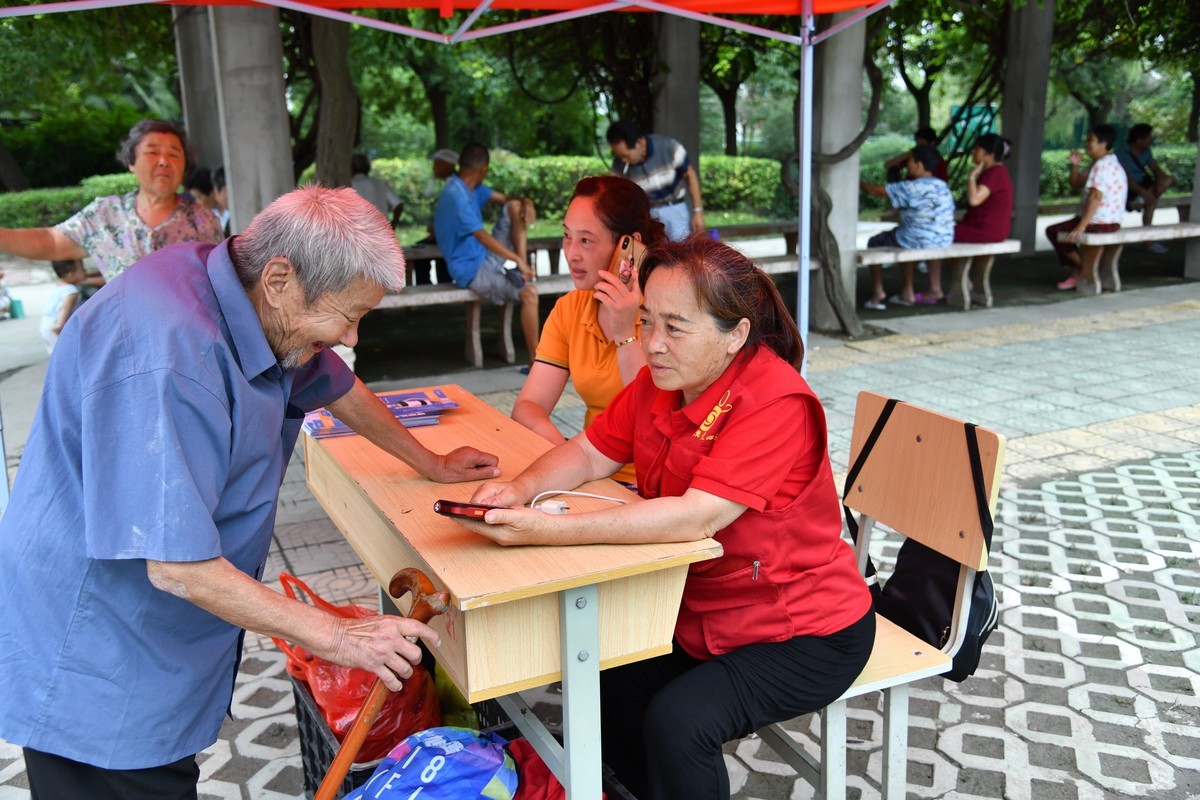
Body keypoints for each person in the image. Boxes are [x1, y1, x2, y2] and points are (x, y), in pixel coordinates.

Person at [0, 186, 502, 799]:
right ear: (281, 277)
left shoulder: (244, 294)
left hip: (154, 640)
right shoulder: (170, 354)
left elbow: (335, 383)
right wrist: (338, 637)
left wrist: (430, 461)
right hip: (97, 652)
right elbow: (179, 566)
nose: (352, 336)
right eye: (348, 315)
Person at [456, 236, 875, 800]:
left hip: (802, 629)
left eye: (675, 328)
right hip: (698, 610)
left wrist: (549, 530)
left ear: (736, 336)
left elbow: (695, 518)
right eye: (646, 321)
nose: (653, 345)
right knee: (602, 677)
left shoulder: (776, 403)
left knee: (680, 721)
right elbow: (587, 453)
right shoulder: (661, 383)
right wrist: (519, 489)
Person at [511, 176, 667, 485]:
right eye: (567, 237)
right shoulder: (571, 308)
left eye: (586, 240)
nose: (571, 253)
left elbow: (652, 417)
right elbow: (528, 407)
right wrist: (570, 459)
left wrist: (626, 333)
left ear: (629, 246)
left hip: (655, 485)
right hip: (594, 475)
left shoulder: (667, 308)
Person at [0, 119, 224, 288]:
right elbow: (53, 241)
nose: (164, 161)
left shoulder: (202, 220)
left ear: (185, 165)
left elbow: (219, 284)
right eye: (152, 152)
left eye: (174, 154)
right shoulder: (106, 214)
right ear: (131, 162)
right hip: (126, 340)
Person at [434, 142, 539, 365]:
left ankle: (524, 269)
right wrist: (517, 259)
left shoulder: (471, 188)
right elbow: (481, 236)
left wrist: (527, 202)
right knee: (530, 295)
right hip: (471, 270)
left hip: (485, 257)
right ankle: (536, 363)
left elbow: (510, 201)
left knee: (515, 208)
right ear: (484, 170)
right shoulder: (455, 196)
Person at [920, 133, 1015, 304]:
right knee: (946, 234)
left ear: (989, 155)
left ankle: (935, 289)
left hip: (986, 230)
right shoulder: (995, 172)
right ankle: (967, 285)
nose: (973, 152)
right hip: (987, 228)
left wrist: (971, 177)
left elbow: (974, 199)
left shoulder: (995, 173)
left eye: (978, 149)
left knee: (933, 234)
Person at [859, 143, 955, 309]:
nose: (907, 165)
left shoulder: (912, 186)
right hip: (942, 239)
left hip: (915, 239)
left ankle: (878, 292)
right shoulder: (942, 186)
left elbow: (877, 191)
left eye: (910, 161)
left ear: (919, 165)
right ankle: (909, 291)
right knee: (904, 237)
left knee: (875, 242)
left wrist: (857, 181)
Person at [1046, 124, 1128, 291]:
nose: (1086, 144)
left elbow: (1095, 197)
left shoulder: (1101, 166)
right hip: (1112, 221)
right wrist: (1075, 165)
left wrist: (1081, 226)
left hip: (1099, 221)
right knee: (1061, 232)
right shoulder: (1103, 163)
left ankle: (1083, 269)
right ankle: (1081, 270)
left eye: (1090, 140)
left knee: (1055, 232)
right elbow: (1076, 183)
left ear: (1103, 143)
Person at [606, 120, 705, 241]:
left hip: (675, 209)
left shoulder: (668, 147)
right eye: (620, 156)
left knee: (681, 253)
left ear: (639, 142)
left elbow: (690, 174)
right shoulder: (619, 164)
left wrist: (698, 211)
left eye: (626, 155)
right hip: (647, 216)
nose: (623, 160)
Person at [1117, 123, 1176, 248]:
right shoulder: (1121, 153)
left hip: (1144, 185)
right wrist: (1145, 194)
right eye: (1148, 138)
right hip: (1126, 188)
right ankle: (1148, 240)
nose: (1150, 141)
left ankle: (1139, 202)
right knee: (1151, 201)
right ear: (1139, 140)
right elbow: (1125, 178)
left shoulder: (1146, 151)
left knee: (1168, 180)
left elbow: (1155, 169)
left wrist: (1160, 182)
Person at [412, 148, 461, 286]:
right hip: (445, 235)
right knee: (420, 248)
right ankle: (430, 286)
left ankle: (429, 287)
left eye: (436, 164)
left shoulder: (454, 186)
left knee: (421, 251)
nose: (434, 168)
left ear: (446, 165)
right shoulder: (449, 184)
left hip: (453, 236)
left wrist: (438, 230)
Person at [38, 259, 86, 354]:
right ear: (70, 274)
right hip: (55, 325)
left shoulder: (59, 286)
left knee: (55, 355)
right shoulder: (71, 292)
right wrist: (59, 326)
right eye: (82, 269)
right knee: (66, 355)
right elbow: (65, 308)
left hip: (45, 324)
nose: (86, 272)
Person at [351, 154, 404, 229]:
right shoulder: (381, 184)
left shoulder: (349, 185)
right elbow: (398, 204)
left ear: (351, 168)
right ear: (368, 169)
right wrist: (393, 225)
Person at [883, 126, 949, 182]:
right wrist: (909, 154)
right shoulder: (914, 157)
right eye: (918, 144)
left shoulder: (940, 162)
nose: (919, 147)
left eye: (922, 144)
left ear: (931, 144)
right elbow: (888, 165)